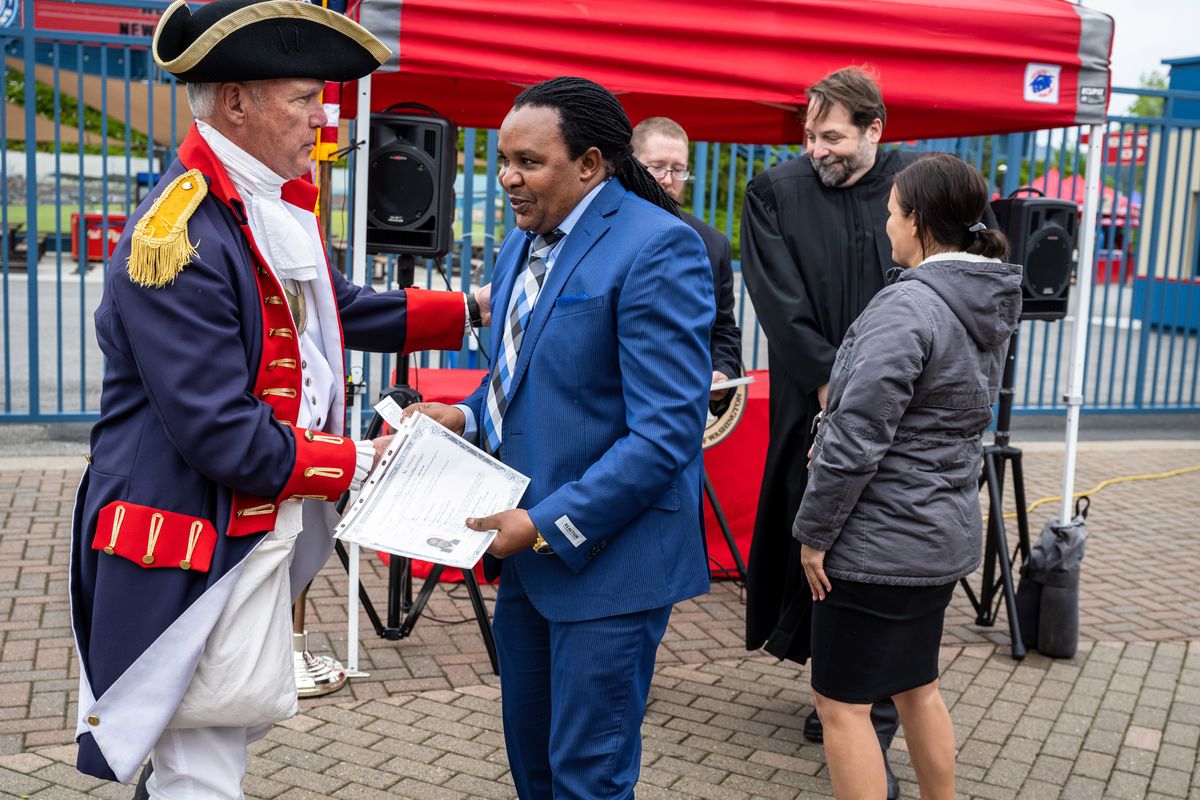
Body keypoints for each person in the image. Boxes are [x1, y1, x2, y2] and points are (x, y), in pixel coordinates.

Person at [68, 0, 487, 796]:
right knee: (204, 746)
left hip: (255, 515)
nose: (322, 122)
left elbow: (340, 307)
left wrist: (471, 308)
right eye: (303, 99)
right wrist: (364, 462)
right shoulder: (181, 233)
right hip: (191, 532)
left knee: (221, 722)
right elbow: (223, 434)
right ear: (237, 101)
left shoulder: (260, 204)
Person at [412, 77, 714, 799]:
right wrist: (464, 415)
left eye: (528, 161)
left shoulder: (659, 247)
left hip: (610, 562)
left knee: (588, 777)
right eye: (501, 159)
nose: (508, 177)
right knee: (535, 767)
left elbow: (666, 433)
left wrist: (544, 526)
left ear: (590, 164)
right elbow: (523, 378)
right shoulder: (522, 244)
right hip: (530, 562)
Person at [795, 152, 1021, 799]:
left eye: (891, 213)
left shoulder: (909, 307)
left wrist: (814, 533)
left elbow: (855, 437)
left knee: (841, 706)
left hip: (875, 546)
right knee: (917, 687)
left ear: (918, 221)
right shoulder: (983, 302)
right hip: (938, 536)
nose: (885, 226)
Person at [738, 66, 916, 792]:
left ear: (876, 130)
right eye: (811, 135)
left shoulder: (919, 185)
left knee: (877, 537)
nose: (818, 149)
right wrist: (828, 387)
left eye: (834, 136)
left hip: (903, 398)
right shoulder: (774, 191)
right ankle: (833, 680)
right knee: (812, 529)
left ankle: (869, 705)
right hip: (809, 393)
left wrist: (885, 392)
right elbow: (774, 294)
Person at [631, 117, 742, 399]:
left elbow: (724, 328)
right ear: (630, 164)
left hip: (683, 406)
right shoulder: (601, 232)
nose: (668, 180)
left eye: (678, 170)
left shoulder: (713, 244)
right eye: (657, 168)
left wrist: (723, 369)